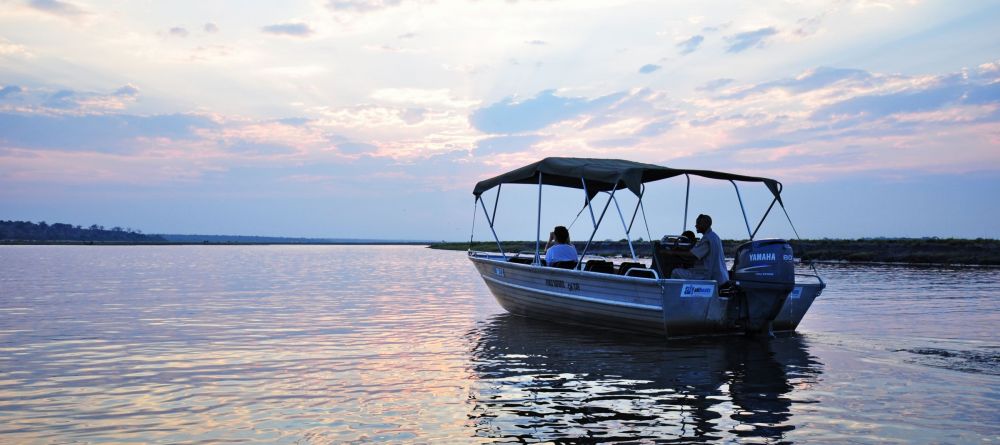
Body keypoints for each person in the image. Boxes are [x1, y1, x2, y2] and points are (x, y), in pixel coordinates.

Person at [671, 214, 730, 283]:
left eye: (698, 223)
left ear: (706, 224)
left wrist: (673, 252)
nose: (696, 225)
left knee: (675, 272)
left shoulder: (707, 238)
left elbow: (693, 255)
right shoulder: (715, 236)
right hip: (720, 276)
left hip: (708, 276)